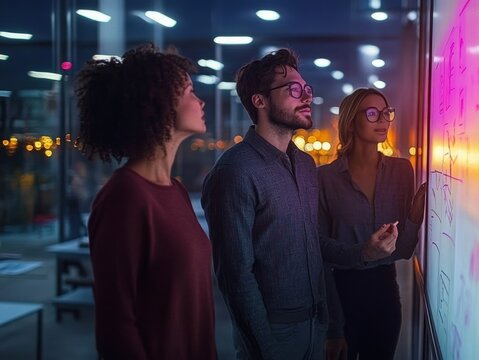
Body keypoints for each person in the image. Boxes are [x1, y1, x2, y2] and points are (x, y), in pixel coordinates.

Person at [75, 43, 217, 359]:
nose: (200, 100)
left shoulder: (175, 191)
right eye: (191, 91)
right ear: (160, 102)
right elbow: (115, 326)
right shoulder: (124, 197)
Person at [201, 48, 329, 359]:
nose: (306, 96)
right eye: (293, 90)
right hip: (273, 334)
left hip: (315, 326)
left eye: (307, 88)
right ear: (260, 101)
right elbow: (235, 277)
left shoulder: (306, 165)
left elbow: (312, 244)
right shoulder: (235, 171)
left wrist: (363, 252)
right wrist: (264, 349)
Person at [318, 88, 427, 360]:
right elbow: (319, 250)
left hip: (385, 297)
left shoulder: (402, 171)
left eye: (386, 113)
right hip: (341, 295)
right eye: (372, 113)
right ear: (351, 121)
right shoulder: (325, 178)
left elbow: (402, 251)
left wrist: (414, 217)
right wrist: (333, 329)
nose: (383, 120)